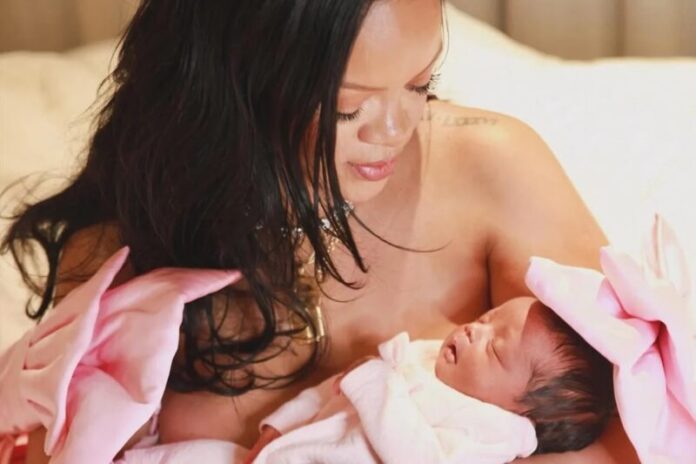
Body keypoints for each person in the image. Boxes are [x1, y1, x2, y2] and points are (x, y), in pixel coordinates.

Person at [1, 0, 637, 462]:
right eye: (348, 106)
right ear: (234, 85)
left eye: (421, 83)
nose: (395, 130)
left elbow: (629, 431)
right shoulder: (126, 249)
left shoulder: (492, 170)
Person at [244, 297, 614, 463]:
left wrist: (374, 384)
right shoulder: (424, 356)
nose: (474, 330)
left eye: (494, 349)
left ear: (520, 413)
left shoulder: (488, 434)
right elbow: (334, 390)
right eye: (487, 318)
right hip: (284, 451)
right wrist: (279, 425)